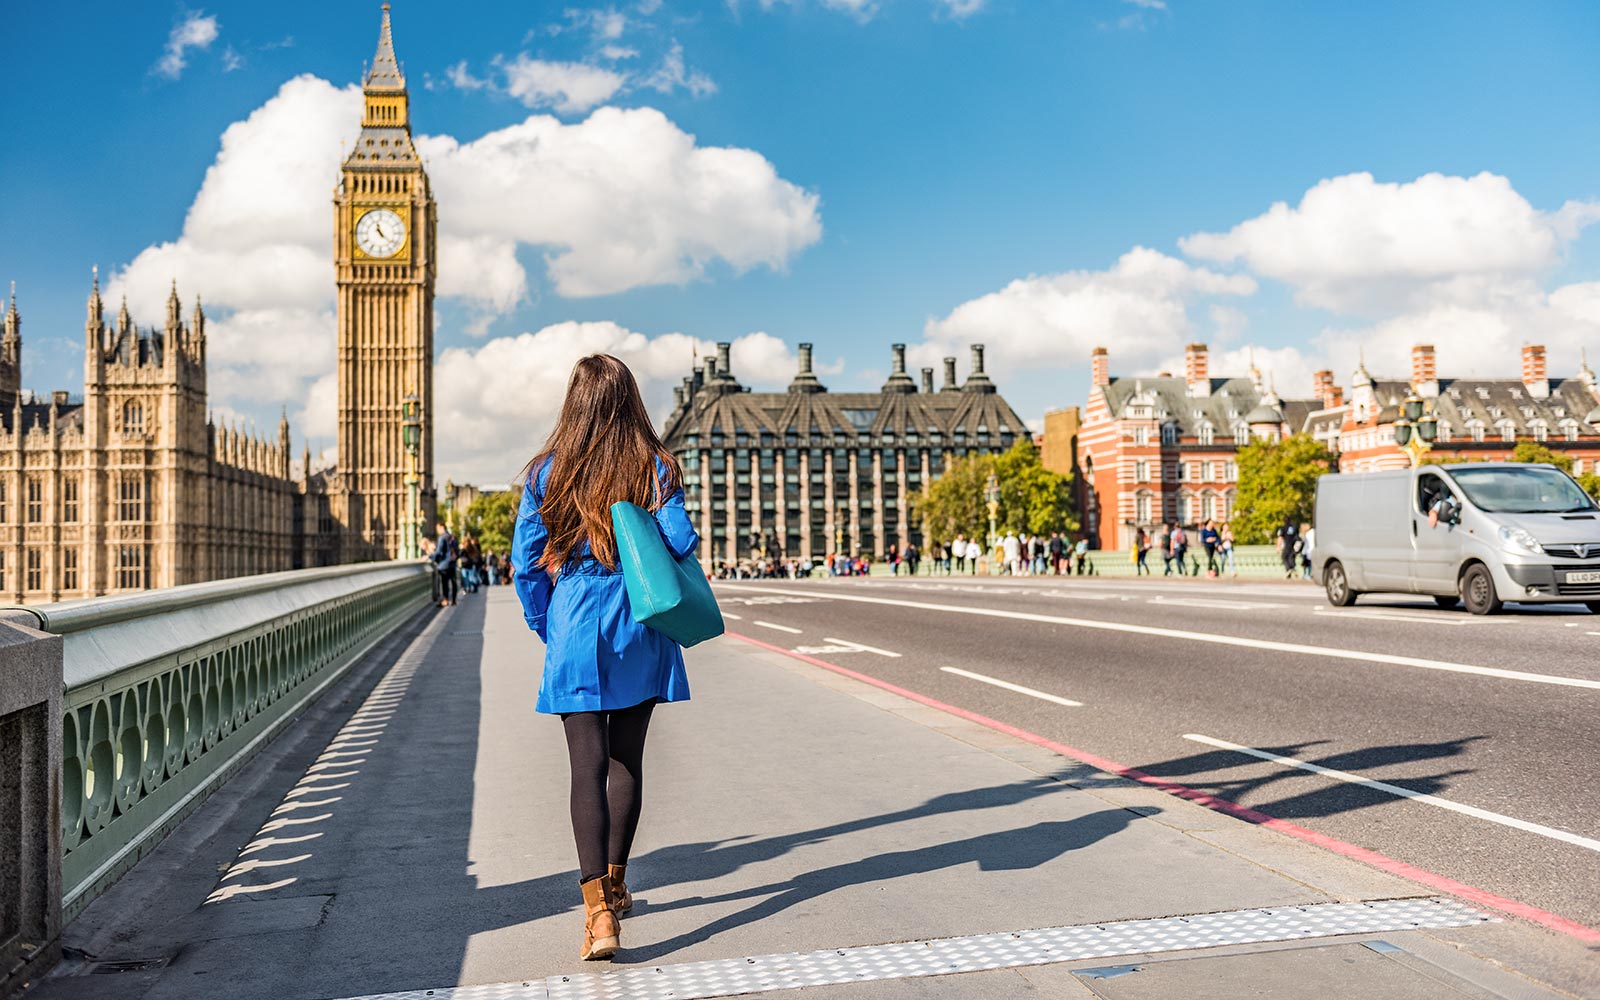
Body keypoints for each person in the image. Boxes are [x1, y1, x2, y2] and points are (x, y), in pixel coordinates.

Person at [510, 354, 699, 962]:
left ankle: (597, 917)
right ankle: (616, 888)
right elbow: (679, 542)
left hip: (574, 618)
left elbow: (525, 567)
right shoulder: (655, 466)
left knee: (584, 768)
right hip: (637, 621)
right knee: (627, 763)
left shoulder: (545, 472)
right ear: (630, 402)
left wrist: (551, 626)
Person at [431, 521, 458, 606]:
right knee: (453, 582)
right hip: (452, 563)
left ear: (442, 527)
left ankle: (445, 600)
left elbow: (439, 552)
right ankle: (453, 600)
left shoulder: (442, 538)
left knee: (445, 583)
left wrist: (430, 557)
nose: (437, 531)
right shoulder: (453, 537)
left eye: (438, 528)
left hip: (444, 564)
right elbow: (457, 551)